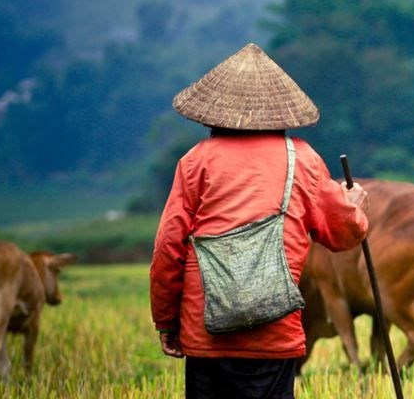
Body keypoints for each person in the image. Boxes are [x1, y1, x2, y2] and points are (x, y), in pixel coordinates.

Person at [149, 43, 369, 399]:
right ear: (280, 114)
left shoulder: (195, 162)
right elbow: (342, 233)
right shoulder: (304, 160)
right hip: (273, 336)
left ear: (212, 115)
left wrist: (166, 321)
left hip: (205, 334)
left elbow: (167, 250)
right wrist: (354, 205)